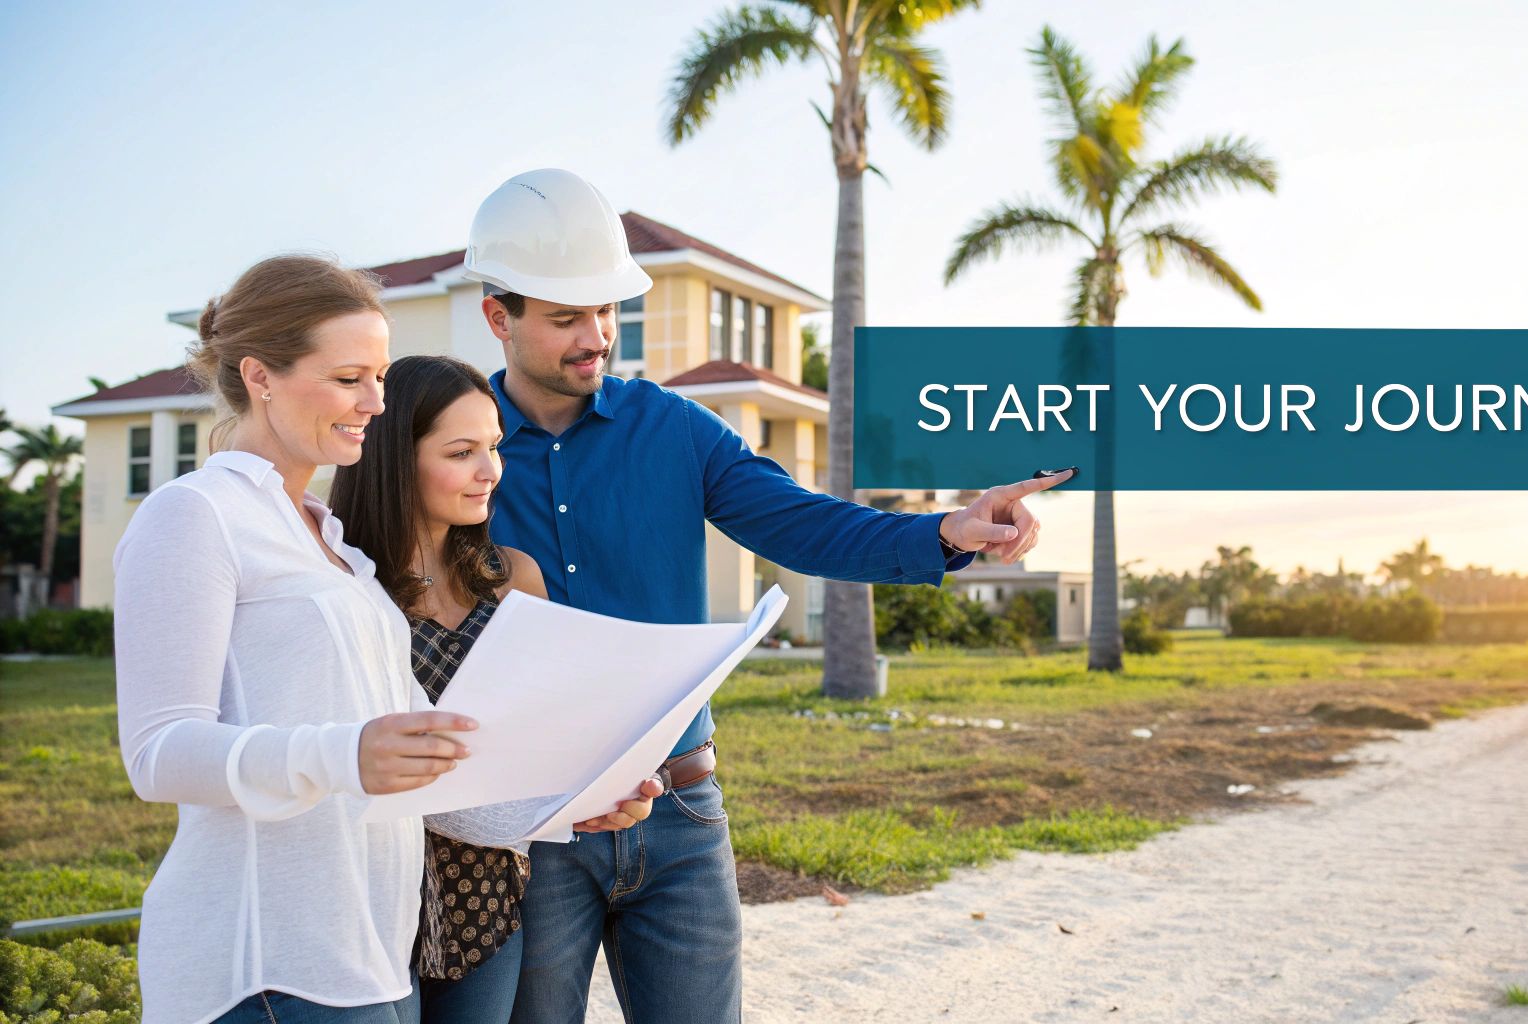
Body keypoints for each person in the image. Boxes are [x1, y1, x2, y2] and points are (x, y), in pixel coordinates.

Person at [459, 168, 1070, 1024]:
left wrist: (943, 534)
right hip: (534, 828)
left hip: (678, 814)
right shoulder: (454, 448)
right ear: (500, 318)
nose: (596, 336)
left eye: (606, 311)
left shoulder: (675, 430)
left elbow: (802, 525)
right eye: (566, 318)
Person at [113, 255, 478, 1023]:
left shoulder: (335, 544)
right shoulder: (194, 516)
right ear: (259, 376)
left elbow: (418, 756)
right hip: (269, 968)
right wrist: (345, 754)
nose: (375, 403)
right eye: (349, 378)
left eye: (379, 377)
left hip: (375, 956)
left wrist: (579, 801)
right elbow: (159, 752)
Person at [330, 355, 664, 1024]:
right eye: (462, 452)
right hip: (365, 895)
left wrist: (605, 793)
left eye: (493, 448)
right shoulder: (341, 586)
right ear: (395, 456)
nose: (491, 472)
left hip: (485, 898)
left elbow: (552, 735)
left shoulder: (514, 577)